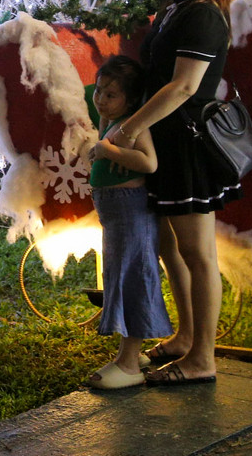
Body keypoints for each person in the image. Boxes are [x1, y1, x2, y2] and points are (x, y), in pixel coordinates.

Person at [108, 0, 237, 386]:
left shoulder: (202, 15)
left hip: (185, 144)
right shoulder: (176, 8)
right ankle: (184, 338)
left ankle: (203, 358)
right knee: (169, 247)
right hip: (163, 143)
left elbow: (184, 87)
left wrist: (129, 128)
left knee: (198, 253)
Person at [85, 55, 171, 390]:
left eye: (111, 95)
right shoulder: (110, 122)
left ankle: (129, 361)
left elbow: (148, 163)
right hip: (115, 213)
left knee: (132, 275)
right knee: (120, 275)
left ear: (131, 100)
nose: (101, 100)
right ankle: (130, 356)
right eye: (99, 91)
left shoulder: (133, 125)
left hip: (130, 210)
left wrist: (108, 151)